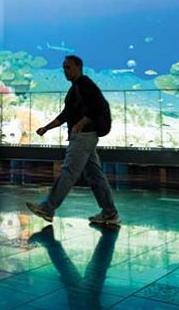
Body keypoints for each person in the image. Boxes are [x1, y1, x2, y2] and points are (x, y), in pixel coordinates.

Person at [26, 55, 120, 225]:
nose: (65, 71)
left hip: (83, 137)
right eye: (64, 67)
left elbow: (97, 107)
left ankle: (48, 208)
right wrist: (46, 128)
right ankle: (109, 213)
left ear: (79, 67)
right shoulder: (75, 89)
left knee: (69, 171)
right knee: (95, 175)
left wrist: (81, 124)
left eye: (68, 67)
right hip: (86, 138)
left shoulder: (85, 84)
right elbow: (65, 115)